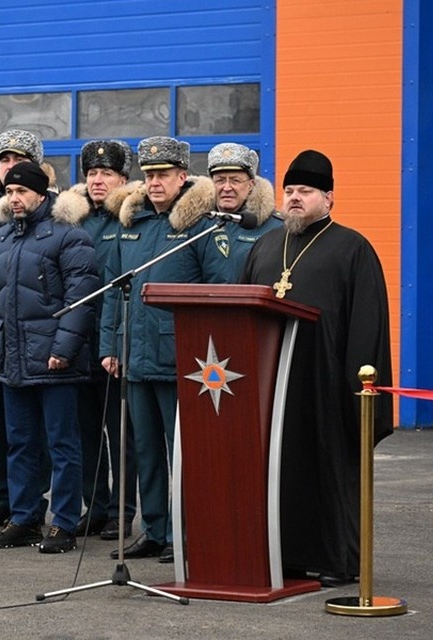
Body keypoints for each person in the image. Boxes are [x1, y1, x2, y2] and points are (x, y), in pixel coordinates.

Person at [240, 149, 394, 586]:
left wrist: (358, 391)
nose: (293, 198)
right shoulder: (268, 245)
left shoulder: (352, 248)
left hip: (326, 382)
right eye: (289, 191)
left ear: (329, 198)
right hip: (272, 384)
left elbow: (368, 324)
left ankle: (337, 560)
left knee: (327, 469)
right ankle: (283, 556)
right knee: (279, 472)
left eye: (305, 191)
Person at [100, 136, 227, 563]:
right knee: (146, 453)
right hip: (135, 357)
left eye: (163, 175)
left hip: (181, 360)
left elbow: (218, 292)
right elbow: (113, 292)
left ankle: (182, 533)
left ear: (182, 177)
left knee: (182, 455)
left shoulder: (201, 226)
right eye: (149, 175)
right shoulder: (132, 223)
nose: (154, 183)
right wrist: (109, 345)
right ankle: (154, 530)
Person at [0, 162, 98, 553]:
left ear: (42, 195)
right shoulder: (1, 239)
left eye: (22, 193)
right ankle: (24, 518)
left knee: (62, 444)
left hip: (54, 362)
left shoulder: (68, 236)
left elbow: (81, 299)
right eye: (9, 193)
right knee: (19, 443)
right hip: (13, 359)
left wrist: (63, 350)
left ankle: (63, 523)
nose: (14, 199)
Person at [54, 139, 138, 541]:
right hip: (79, 340)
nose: (98, 180)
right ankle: (96, 505)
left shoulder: (131, 217)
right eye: (92, 173)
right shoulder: (74, 219)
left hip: (116, 340)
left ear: (124, 178)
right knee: (86, 432)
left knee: (121, 435)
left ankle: (122, 512)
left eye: (107, 173)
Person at [0, 129, 52, 529]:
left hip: (40, 341)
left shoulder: (55, 213)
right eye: (3, 161)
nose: (9, 168)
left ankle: (41, 504)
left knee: (45, 435)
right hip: (1, 336)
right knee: (4, 431)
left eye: (18, 160)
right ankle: (9, 499)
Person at [205, 142, 283, 281]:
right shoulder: (199, 223)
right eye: (220, 180)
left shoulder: (275, 228)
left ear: (250, 185)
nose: (227, 187)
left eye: (235, 180)